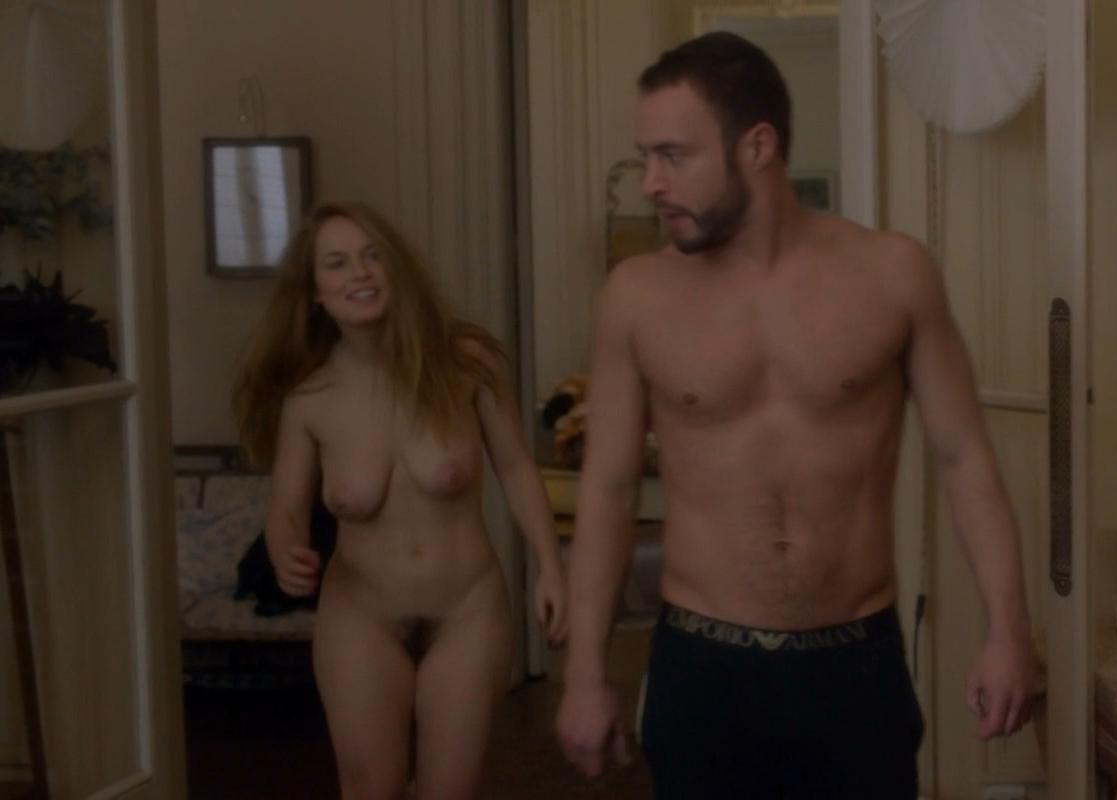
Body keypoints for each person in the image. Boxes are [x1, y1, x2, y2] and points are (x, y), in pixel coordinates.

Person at [552, 31, 1036, 797]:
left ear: (758, 145)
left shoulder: (892, 274)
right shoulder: (637, 297)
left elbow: (965, 459)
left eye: (673, 155)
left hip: (854, 663)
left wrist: (1008, 632)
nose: (650, 182)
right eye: (645, 157)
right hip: (702, 667)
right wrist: (584, 676)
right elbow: (608, 491)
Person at [234, 201, 568, 798]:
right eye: (337, 263)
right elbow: (285, 510)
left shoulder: (464, 362)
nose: (359, 273)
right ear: (315, 293)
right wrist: (286, 551)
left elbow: (516, 466)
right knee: (373, 789)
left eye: (372, 257)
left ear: (397, 268)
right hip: (360, 613)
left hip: (468, 608)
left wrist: (550, 564)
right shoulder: (309, 398)